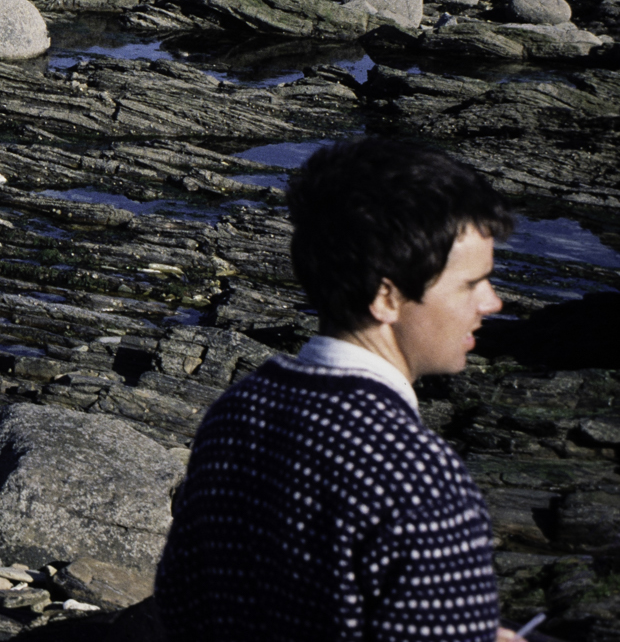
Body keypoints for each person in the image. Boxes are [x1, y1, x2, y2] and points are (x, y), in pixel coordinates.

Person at [156, 136, 524, 642]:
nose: (494, 302)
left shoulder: (237, 412)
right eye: (470, 284)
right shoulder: (421, 481)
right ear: (387, 297)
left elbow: (184, 606)